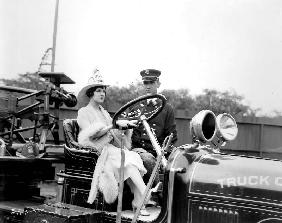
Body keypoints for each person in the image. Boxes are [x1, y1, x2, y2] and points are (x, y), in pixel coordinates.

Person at [76, 69, 157, 215]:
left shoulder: (104, 112)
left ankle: (139, 202)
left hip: (112, 150)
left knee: (133, 159)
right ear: (90, 94)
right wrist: (111, 126)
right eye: (99, 91)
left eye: (104, 91)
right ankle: (145, 197)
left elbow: (113, 134)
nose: (102, 94)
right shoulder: (83, 112)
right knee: (128, 161)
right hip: (99, 153)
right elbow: (89, 136)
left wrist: (124, 128)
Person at [132, 69, 178, 186]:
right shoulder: (136, 107)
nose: (148, 86)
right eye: (145, 83)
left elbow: (171, 136)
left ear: (158, 83)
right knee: (147, 159)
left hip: (159, 152)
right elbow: (131, 134)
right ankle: (158, 193)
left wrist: (163, 152)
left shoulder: (167, 109)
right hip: (139, 151)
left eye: (151, 83)